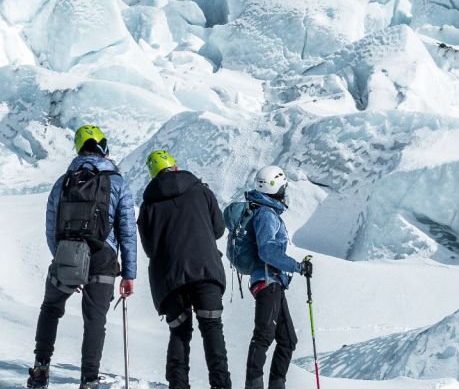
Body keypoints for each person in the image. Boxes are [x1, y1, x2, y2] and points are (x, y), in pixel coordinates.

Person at [27, 125, 137, 389]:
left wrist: (65, 260)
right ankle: (89, 379)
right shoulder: (118, 183)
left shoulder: (63, 181)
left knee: (51, 309)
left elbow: (51, 224)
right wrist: (130, 273)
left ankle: (41, 368)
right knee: (95, 319)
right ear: (103, 148)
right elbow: (127, 230)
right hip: (104, 257)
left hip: (67, 253)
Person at [137, 150, 232, 389]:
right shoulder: (200, 190)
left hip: (170, 278)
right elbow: (219, 229)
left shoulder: (148, 205)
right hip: (205, 270)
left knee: (179, 332)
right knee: (211, 328)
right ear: (174, 166)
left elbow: (149, 248)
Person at [244, 165, 311, 389]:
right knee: (263, 336)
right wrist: (298, 266)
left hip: (273, 281)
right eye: (283, 186)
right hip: (267, 280)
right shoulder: (266, 214)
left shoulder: (266, 211)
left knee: (288, 340)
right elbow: (267, 250)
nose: (285, 191)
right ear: (276, 188)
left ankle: (276, 385)